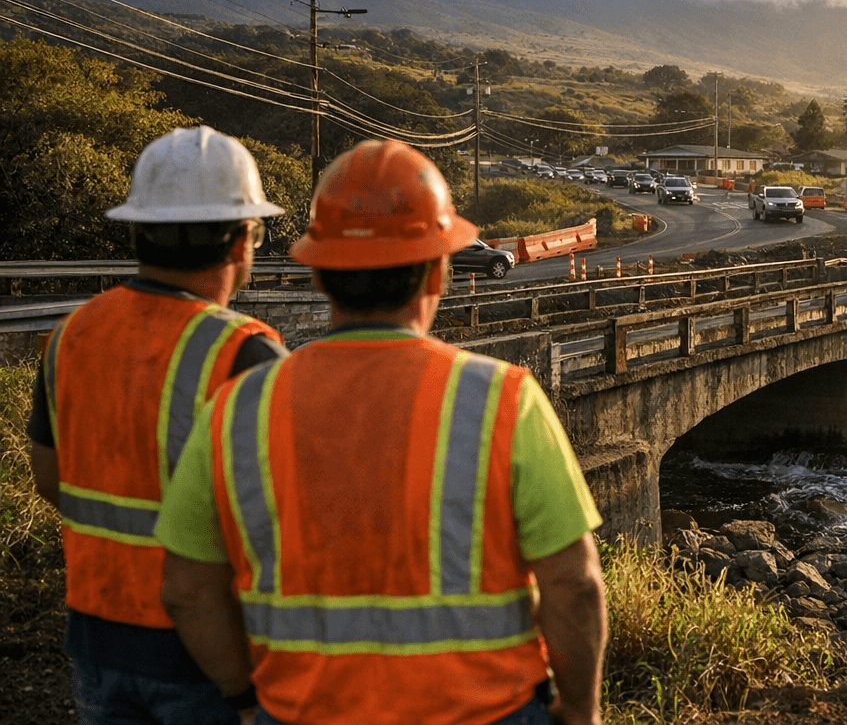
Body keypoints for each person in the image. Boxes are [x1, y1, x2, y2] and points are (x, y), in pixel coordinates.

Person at [155, 139, 607, 725]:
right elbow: (573, 586)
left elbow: (187, 590)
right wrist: (581, 709)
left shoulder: (236, 408)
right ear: (439, 270)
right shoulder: (503, 400)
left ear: (319, 272)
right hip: (485, 712)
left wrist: (246, 700)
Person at [28, 125, 289, 725]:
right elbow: (281, 517)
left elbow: (50, 476)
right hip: (211, 651)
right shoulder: (244, 354)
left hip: (96, 636)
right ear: (244, 239)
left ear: (136, 230)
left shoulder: (72, 334)